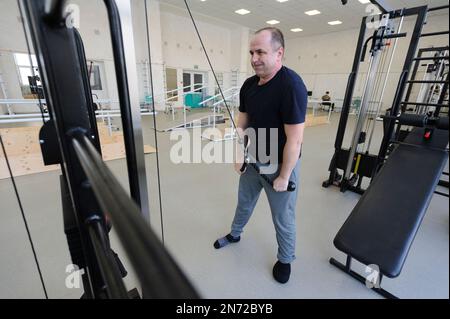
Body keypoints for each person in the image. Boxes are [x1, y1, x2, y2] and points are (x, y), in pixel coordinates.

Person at [213, 27, 307, 284]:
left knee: (283, 217)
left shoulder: (291, 86)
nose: (254, 58)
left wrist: (284, 176)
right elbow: (242, 121)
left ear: (279, 53)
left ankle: (286, 259)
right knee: (244, 201)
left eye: (261, 52)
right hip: (253, 159)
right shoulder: (249, 85)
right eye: (252, 52)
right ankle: (235, 234)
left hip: (279, 165)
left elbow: (295, 139)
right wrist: (239, 153)